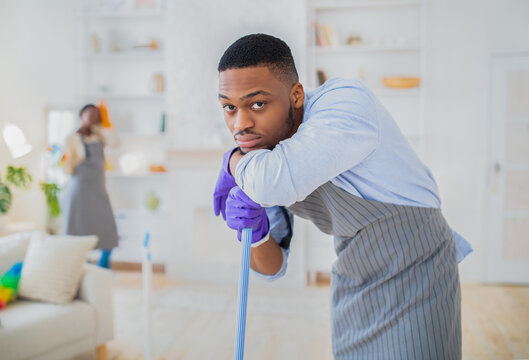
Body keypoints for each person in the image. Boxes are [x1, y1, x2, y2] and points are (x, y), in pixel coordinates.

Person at [213, 34, 473, 359]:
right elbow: (272, 266)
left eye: (257, 104)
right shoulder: (265, 155)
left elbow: (269, 184)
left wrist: (231, 161)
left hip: (416, 271)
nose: (241, 124)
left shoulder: (345, 101)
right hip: (355, 279)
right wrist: (254, 234)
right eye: (228, 107)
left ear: (295, 95)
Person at [62, 104, 118, 269]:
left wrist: (107, 121)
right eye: (90, 113)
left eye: (96, 115)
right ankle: (82, 269)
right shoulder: (72, 139)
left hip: (98, 190)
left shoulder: (100, 136)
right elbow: (68, 167)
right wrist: (64, 160)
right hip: (80, 191)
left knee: (108, 231)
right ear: (82, 115)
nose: (92, 117)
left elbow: (116, 142)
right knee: (79, 233)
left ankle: (103, 268)